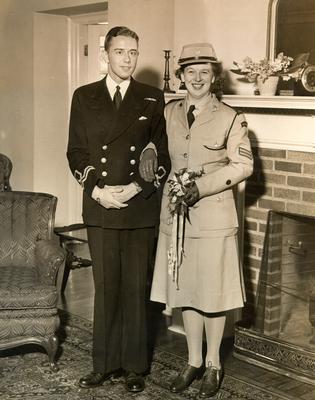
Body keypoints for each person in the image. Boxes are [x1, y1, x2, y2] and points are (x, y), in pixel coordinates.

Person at [67, 26, 170, 393]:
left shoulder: (152, 98)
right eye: (120, 52)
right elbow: (76, 152)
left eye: (133, 52)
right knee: (105, 287)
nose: (127, 59)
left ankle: (135, 369)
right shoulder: (83, 96)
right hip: (101, 206)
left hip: (137, 207)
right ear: (105, 55)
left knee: (133, 290)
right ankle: (104, 365)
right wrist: (97, 191)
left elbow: (162, 156)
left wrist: (137, 187)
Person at [149, 43, 253, 398]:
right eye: (189, 72)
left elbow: (242, 165)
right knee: (185, 290)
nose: (196, 79)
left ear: (214, 78)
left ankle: (213, 364)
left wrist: (201, 188)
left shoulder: (231, 117)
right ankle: (192, 361)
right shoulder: (168, 113)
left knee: (212, 293)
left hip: (214, 217)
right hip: (175, 216)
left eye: (204, 73)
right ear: (180, 76)